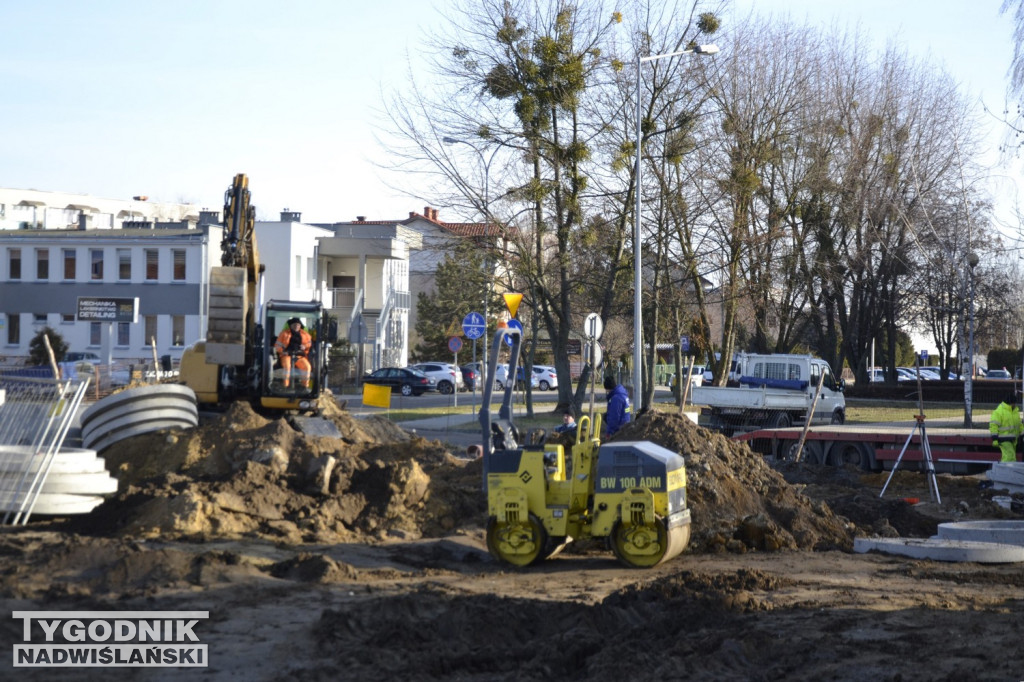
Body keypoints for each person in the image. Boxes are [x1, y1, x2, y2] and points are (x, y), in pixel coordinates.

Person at [274, 317, 312, 388]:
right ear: (290, 325)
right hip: (286, 355)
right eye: (294, 325)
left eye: (298, 325)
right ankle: (285, 386)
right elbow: (277, 346)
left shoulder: (305, 334)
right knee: (287, 367)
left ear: (300, 326)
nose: (296, 326)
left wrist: (304, 346)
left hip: (299, 355)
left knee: (307, 367)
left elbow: (309, 344)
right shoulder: (284, 334)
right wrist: (283, 351)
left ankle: (304, 386)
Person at [989, 392, 1022, 463]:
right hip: (1003, 438)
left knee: (1010, 456)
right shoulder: (999, 412)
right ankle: (1005, 471)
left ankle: (1006, 471)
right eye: (1014, 403)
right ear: (1011, 402)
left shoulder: (1015, 411)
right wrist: (994, 438)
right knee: (1009, 456)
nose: (1015, 404)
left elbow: (1019, 424)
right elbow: (993, 426)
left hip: (1013, 439)